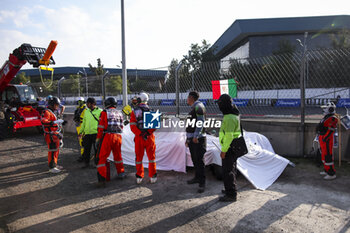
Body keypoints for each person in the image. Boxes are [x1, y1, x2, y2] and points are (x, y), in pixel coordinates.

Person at [95, 97, 125, 187]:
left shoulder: (104, 112)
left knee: (102, 158)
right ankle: (121, 173)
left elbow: (101, 127)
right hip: (118, 136)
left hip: (108, 136)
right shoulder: (120, 113)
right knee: (118, 156)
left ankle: (102, 179)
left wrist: (98, 138)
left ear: (107, 104)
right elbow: (122, 126)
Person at [217, 94, 241, 202]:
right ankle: (230, 188)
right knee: (231, 169)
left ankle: (231, 194)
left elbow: (229, 136)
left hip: (229, 147)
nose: (219, 105)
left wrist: (224, 150)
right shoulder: (232, 114)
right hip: (233, 146)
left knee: (227, 171)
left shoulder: (230, 117)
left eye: (220, 103)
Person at [130, 92, 157, 184]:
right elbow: (154, 126)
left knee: (138, 158)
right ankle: (152, 176)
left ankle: (139, 176)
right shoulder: (151, 110)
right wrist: (147, 133)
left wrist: (141, 133)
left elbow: (132, 126)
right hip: (149, 137)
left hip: (139, 137)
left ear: (139, 99)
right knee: (151, 158)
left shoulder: (134, 111)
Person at [185, 91, 207, 193]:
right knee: (195, 160)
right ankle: (197, 178)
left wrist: (196, 136)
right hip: (192, 139)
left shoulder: (199, 107)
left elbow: (200, 122)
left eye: (188, 97)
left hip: (198, 139)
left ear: (191, 98)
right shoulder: (194, 107)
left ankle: (202, 183)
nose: (187, 99)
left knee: (199, 160)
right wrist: (188, 139)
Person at [41, 96, 64, 173]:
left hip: (55, 133)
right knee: (52, 150)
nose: (57, 107)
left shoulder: (53, 112)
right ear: (52, 104)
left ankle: (55, 164)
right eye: (56, 105)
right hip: (50, 134)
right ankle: (51, 167)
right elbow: (44, 121)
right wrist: (53, 122)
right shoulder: (47, 112)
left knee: (56, 150)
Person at [79, 97, 102, 169]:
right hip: (87, 134)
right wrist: (81, 132)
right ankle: (86, 163)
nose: (87, 105)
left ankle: (97, 163)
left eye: (88, 103)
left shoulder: (100, 111)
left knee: (96, 150)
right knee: (86, 150)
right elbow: (84, 123)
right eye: (87, 103)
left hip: (96, 133)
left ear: (93, 104)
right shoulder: (86, 111)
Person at [316, 102, 338, 180]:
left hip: (327, 140)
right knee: (324, 155)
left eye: (325, 108)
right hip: (322, 138)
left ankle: (331, 173)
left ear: (330, 109)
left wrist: (325, 138)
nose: (324, 109)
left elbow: (331, 130)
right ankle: (326, 170)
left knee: (328, 156)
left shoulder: (332, 118)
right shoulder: (326, 117)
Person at [73, 97, 87, 162]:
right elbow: (75, 118)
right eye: (79, 102)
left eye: (81, 102)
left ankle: (84, 156)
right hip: (79, 126)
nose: (80, 103)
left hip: (83, 127)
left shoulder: (85, 109)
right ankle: (83, 155)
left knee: (83, 142)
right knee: (81, 142)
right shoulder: (78, 109)